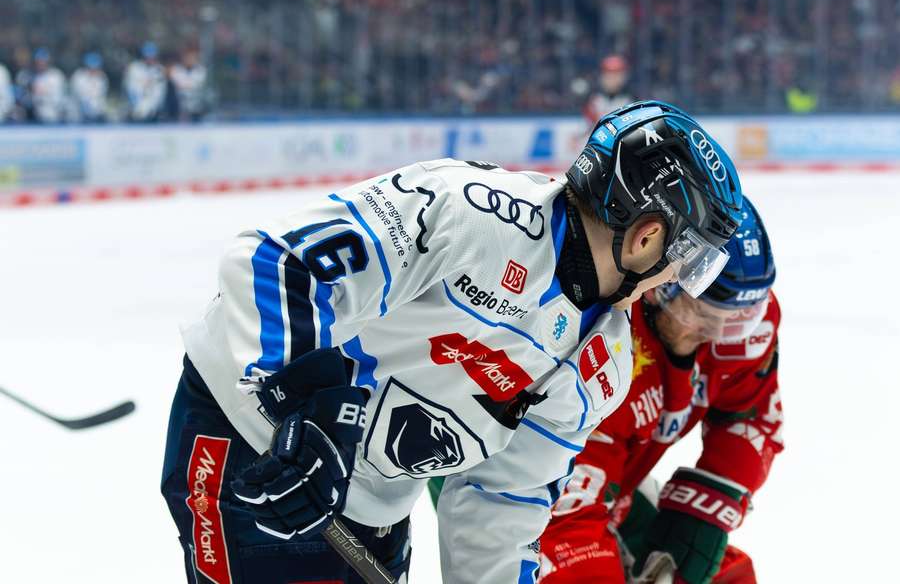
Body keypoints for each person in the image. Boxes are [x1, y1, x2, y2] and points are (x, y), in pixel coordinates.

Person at [160, 100, 743, 584]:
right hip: (247, 435)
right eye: (686, 260)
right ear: (647, 237)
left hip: (371, 504)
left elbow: (503, 499)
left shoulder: (601, 365)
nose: (675, 280)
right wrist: (298, 411)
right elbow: (279, 263)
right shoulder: (471, 212)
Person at [538, 198, 782, 584]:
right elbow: (560, 508)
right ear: (661, 283)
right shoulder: (600, 339)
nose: (713, 335)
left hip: (612, 484)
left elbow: (751, 413)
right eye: (698, 314)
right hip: (525, 481)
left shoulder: (738, 324)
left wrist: (706, 506)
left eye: (733, 323)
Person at [583, 55, 632, 127]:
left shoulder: (633, 102)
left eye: (616, 74)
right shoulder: (593, 101)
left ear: (624, 76)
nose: (612, 79)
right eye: (608, 74)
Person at [124, 41, 166, 122]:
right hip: (136, 110)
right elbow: (131, 89)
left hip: (153, 112)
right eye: (147, 56)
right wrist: (137, 107)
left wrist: (153, 108)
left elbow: (159, 93)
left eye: (152, 56)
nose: (150, 58)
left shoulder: (159, 70)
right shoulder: (134, 68)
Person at [29, 48, 67, 124]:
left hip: (54, 116)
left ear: (48, 61)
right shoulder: (30, 76)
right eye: (38, 61)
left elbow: (59, 99)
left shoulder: (56, 76)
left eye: (43, 61)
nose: (40, 63)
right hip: (34, 116)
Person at [170, 47, 208, 122]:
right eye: (188, 57)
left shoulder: (201, 70)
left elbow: (196, 85)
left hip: (196, 103)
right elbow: (178, 85)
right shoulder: (176, 70)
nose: (190, 60)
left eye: (192, 58)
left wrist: (186, 85)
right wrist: (188, 85)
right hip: (180, 102)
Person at [70, 52, 108, 123]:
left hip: (97, 114)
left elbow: (100, 97)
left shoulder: (102, 78)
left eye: (96, 67)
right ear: (86, 66)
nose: (93, 69)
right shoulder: (78, 76)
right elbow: (80, 96)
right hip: (79, 114)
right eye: (91, 67)